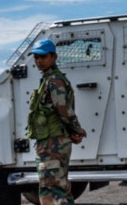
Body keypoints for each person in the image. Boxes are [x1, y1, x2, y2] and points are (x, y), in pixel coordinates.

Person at [27, 38, 87, 205]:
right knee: (59, 188)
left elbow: (64, 111)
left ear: (54, 57)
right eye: (36, 58)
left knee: (51, 188)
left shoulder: (54, 80)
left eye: (43, 57)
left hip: (53, 143)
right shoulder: (48, 79)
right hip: (51, 141)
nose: (38, 61)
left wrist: (77, 130)